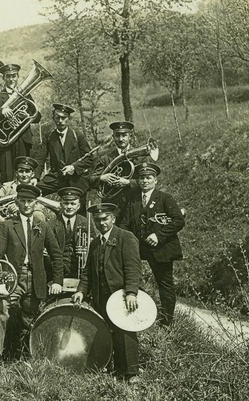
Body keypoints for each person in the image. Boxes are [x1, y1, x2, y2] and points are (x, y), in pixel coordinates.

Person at [0, 184, 64, 362]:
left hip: (36, 278)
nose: (27, 204)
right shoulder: (7, 225)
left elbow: (56, 255)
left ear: (36, 203)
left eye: (30, 201)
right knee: (0, 311)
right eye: (23, 201)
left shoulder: (43, 226)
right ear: (16, 202)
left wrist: (57, 281)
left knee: (29, 317)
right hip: (12, 277)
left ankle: (26, 354)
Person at [72, 203, 141, 382]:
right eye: (97, 220)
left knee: (125, 332)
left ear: (113, 218)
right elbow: (87, 272)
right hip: (101, 297)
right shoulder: (95, 243)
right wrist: (81, 291)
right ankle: (115, 369)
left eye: (105, 219)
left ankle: (131, 373)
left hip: (121, 295)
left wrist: (132, 292)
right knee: (106, 331)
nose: (101, 223)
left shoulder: (126, 237)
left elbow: (133, 268)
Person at [118, 163, 185, 326]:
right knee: (129, 277)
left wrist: (159, 235)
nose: (145, 181)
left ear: (155, 180)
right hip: (139, 249)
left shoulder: (165, 198)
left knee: (165, 284)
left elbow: (178, 221)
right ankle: (134, 316)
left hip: (161, 249)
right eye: (142, 178)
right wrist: (126, 240)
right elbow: (124, 224)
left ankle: (167, 322)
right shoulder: (133, 201)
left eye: (149, 178)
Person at [0, 63, 41, 183]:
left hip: (23, 140)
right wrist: (1, 111)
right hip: (5, 141)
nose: (11, 79)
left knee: (24, 173)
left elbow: (37, 117)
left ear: (18, 77)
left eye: (14, 76)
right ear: (4, 78)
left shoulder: (26, 95)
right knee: (7, 175)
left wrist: (27, 114)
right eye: (8, 76)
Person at [34, 103, 93, 213]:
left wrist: (74, 167)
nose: (60, 121)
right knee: (33, 191)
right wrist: (35, 177)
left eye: (63, 118)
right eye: (57, 117)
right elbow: (40, 158)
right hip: (56, 177)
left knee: (80, 214)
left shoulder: (78, 135)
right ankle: (41, 214)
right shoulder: (49, 136)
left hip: (75, 179)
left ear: (68, 119)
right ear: (53, 118)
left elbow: (90, 158)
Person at [90, 121, 141, 223]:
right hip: (112, 206)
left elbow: (148, 182)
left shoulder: (140, 157)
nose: (121, 139)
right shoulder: (105, 158)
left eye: (124, 135)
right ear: (113, 137)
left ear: (130, 136)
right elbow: (91, 180)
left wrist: (128, 183)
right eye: (117, 135)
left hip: (134, 204)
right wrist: (102, 178)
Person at [0, 156, 46, 232]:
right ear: (16, 173)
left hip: (27, 221)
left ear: (33, 174)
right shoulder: (8, 187)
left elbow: (40, 207)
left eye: (27, 171)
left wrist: (20, 207)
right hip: (8, 220)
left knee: (38, 215)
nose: (24, 175)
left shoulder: (35, 189)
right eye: (21, 171)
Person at [47, 187, 89, 280]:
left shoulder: (86, 223)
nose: (69, 207)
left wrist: (86, 248)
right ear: (61, 204)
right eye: (66, 203)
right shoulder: (51, 224)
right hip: (57, 268)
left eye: (73, 204)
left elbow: (93, 244)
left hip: (79, 267)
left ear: (79, 206)